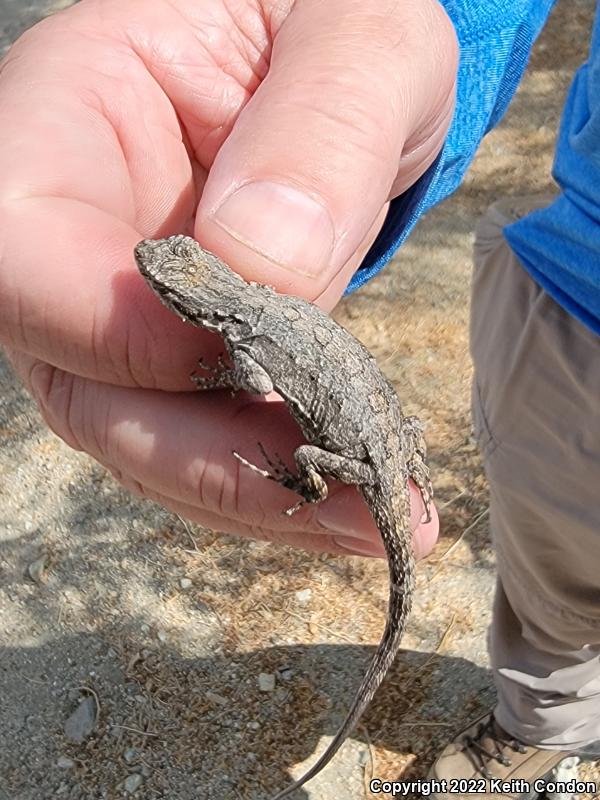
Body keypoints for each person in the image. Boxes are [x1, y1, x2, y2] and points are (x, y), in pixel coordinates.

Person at [0, 1, 597, 796]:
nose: (158, 271)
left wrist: (294, 468)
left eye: (167, 279)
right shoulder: (249, 295)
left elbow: (248, 379)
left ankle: (307, 486)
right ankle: (546, 716)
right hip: (551, 288)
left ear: (197, 308)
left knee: (310, 461)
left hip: (368, 445)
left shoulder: (239, 333)